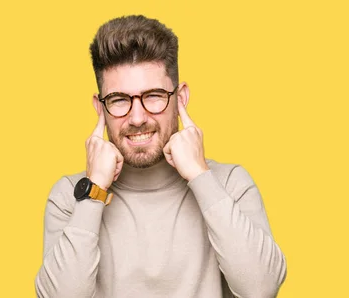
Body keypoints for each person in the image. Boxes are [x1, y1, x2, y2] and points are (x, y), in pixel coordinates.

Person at [34, 15, 287, 298]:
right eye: (119, 100)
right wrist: (94, 190)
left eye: (153, 95)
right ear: (99, 107)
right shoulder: (71, 196)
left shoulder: (229, 184)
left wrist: (200, 176)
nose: (138, 117)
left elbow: (262, 290)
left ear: (180, 99)